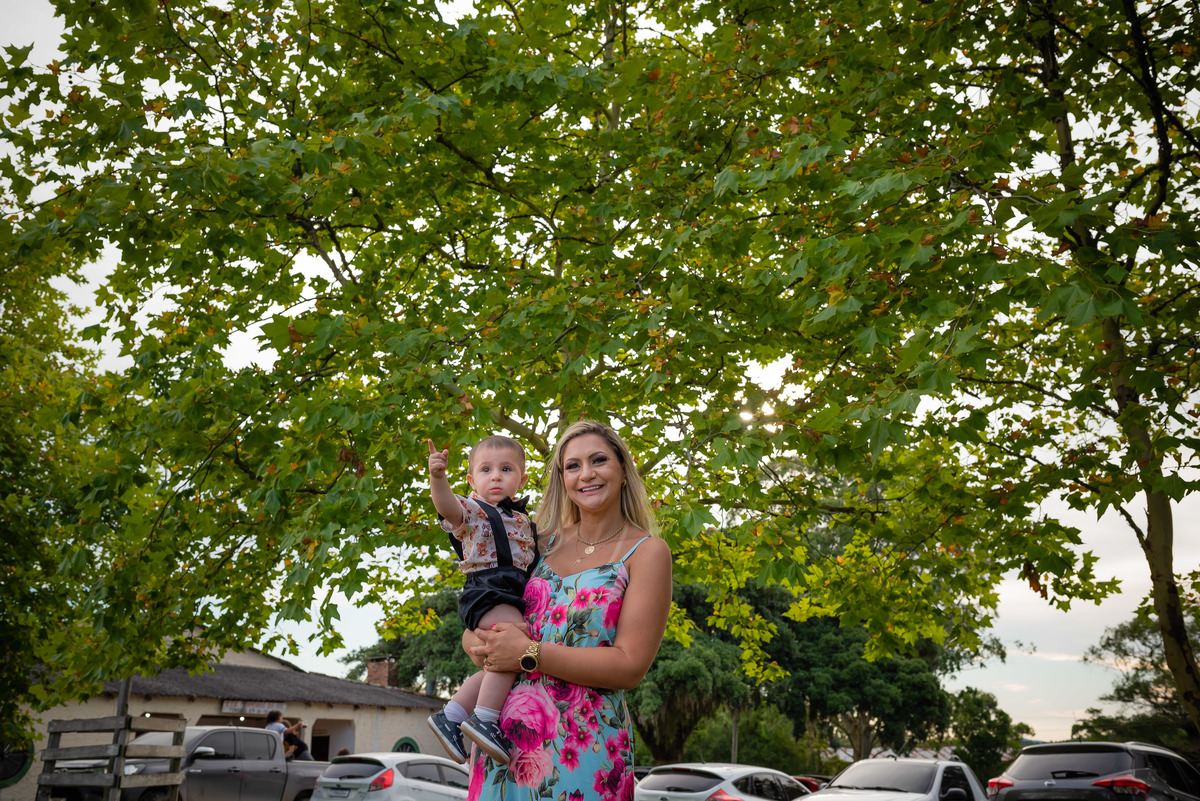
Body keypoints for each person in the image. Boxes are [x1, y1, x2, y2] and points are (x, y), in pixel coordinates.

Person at [463, 420, 672, 801]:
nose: (586, 474)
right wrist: (476, 642)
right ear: (562, 478)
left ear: (623, 470)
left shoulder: (647, 552)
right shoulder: (536, 540)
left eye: (599, 460)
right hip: (501, 743)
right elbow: (486, 606)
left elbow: (629, 666)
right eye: (572, 466)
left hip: (584, 749)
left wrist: (527, 653)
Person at [426, 435, 541, 765]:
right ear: (471, 479)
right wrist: (438, 479)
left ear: (522, 478)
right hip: (487, 589)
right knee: (513, 648)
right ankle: (485, 720)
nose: (496, 476)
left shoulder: (524, 521)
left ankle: (452, 714)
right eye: (486, 469)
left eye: (506, 469)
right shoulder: (473, 510)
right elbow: (447, 507)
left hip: (510, 593)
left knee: (502, 661)